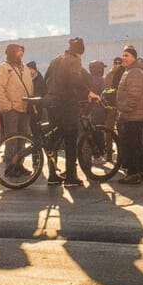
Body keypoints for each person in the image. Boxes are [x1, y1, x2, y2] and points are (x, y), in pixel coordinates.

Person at [43, 37, 101, 187]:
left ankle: (52, 175)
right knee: (70, 140)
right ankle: (70, 177)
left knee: (54, 140)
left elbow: (46, 78)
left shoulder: (56, 59)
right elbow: (76, 80)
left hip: (52, 103)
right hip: (66, 105)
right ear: (80, 51)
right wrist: (88, 93)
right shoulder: (74, 61)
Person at [0, 43, 35, 179]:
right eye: (18, 51)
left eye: (22, 51)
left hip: (25, 109)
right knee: (12, 140)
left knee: (22, 140)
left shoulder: (25, 68)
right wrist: (7, 106)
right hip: (12, 110)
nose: (21, 53)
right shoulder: (4, 68)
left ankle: (19, 165)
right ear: (11, 52)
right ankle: (10, 167)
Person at [114, 46, 143, 184]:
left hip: (132, 115)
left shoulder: (134, 73)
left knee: (130, 145)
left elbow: (133, 96)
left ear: (134, 57)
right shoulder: (132, 71)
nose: (124, 58)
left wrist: (124, 109)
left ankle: (133, 174)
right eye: (123, 55)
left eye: (127, 55)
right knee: (137, 144)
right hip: (136, 115)